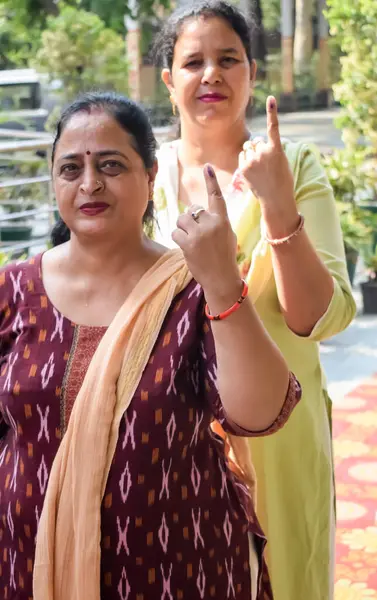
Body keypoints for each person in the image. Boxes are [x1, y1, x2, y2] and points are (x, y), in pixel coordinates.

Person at [0, 91, 301, 600]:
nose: (90, 183)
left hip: (177, 568)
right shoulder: (13, 291)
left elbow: (262, 414)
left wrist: (224, 282)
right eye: (70, 168)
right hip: (29, 565)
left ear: (150, 174)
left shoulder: (191, 287)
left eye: (111, 164)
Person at [152, 2, 357, 599]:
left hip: (277, 434)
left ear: (252, 73)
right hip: (171, 432)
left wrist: (277, 206)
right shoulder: (143, 178)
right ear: (169, 80)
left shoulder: (292, 167)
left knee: (282, 577)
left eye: (228, 59)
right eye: (193, 61)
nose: (210, 74)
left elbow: (314, 318)